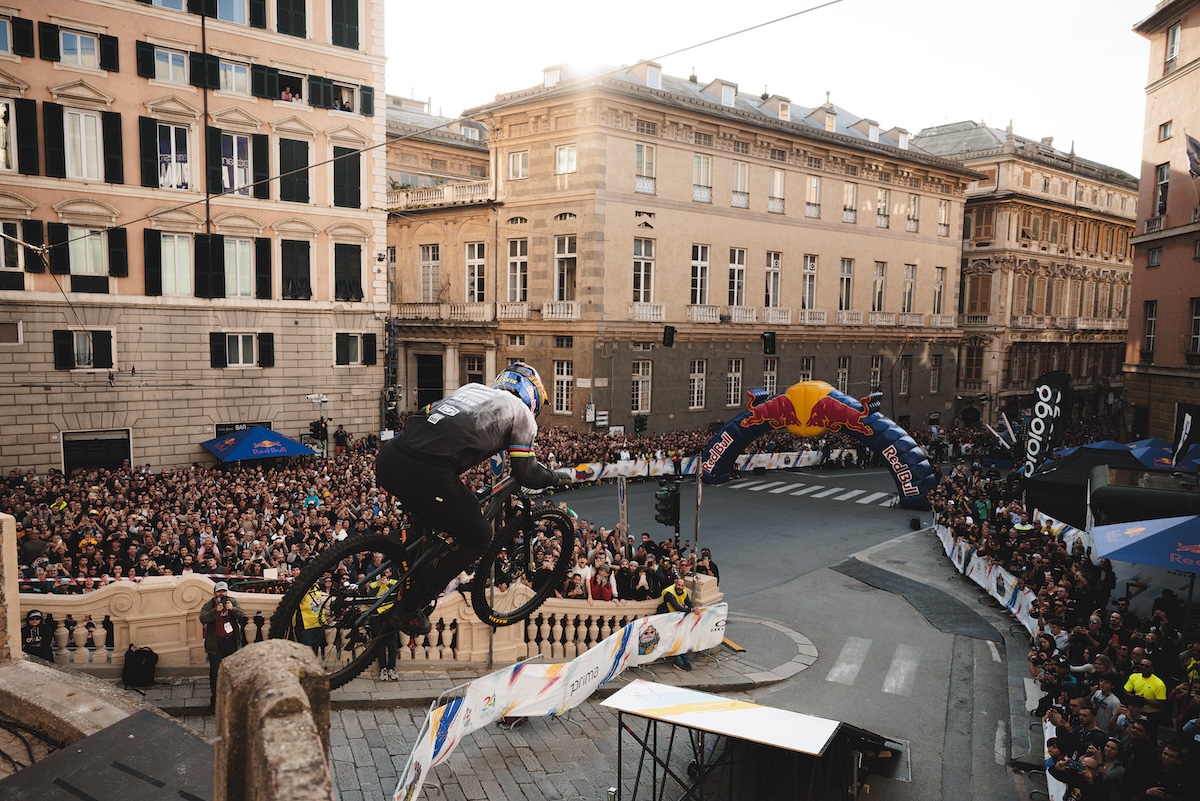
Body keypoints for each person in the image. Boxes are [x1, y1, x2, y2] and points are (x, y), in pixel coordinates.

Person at [375, 363, 569, 636]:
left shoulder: (471, 389)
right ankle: (407, 609)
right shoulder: (521, 413)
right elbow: (526, 473)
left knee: (430, 516)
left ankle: (406, 572)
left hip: (390, 456)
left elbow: (426, 415)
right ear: (532, 395)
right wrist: (555, 476)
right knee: (479, 536)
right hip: (430, 471)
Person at [200, 580, 246, 708]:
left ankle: (233, 698)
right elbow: (202, 618)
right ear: (215, 593)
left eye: (224, 591)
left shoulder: (232, 601)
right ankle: (215, 699)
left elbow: (241, 615)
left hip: (230, 641)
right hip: (215, 643)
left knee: (232, 671)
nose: (222, 594)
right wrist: (215, 611)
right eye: (219, 591)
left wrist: (233, 609)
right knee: (215, 672)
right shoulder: (209, 605)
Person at [657, 573, 702, 672]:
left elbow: (688, 602)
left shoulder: (684, 591)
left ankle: (685, 660)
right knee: (673, 640)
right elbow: (676, 607)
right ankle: (678, 662)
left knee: (680, 639)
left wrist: (693, 607)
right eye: (678, 585)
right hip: (666, 619)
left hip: (676, 619)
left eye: (682, 586)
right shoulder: (668, 592)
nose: (680, 587)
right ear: (675, 584)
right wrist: (691, 610)